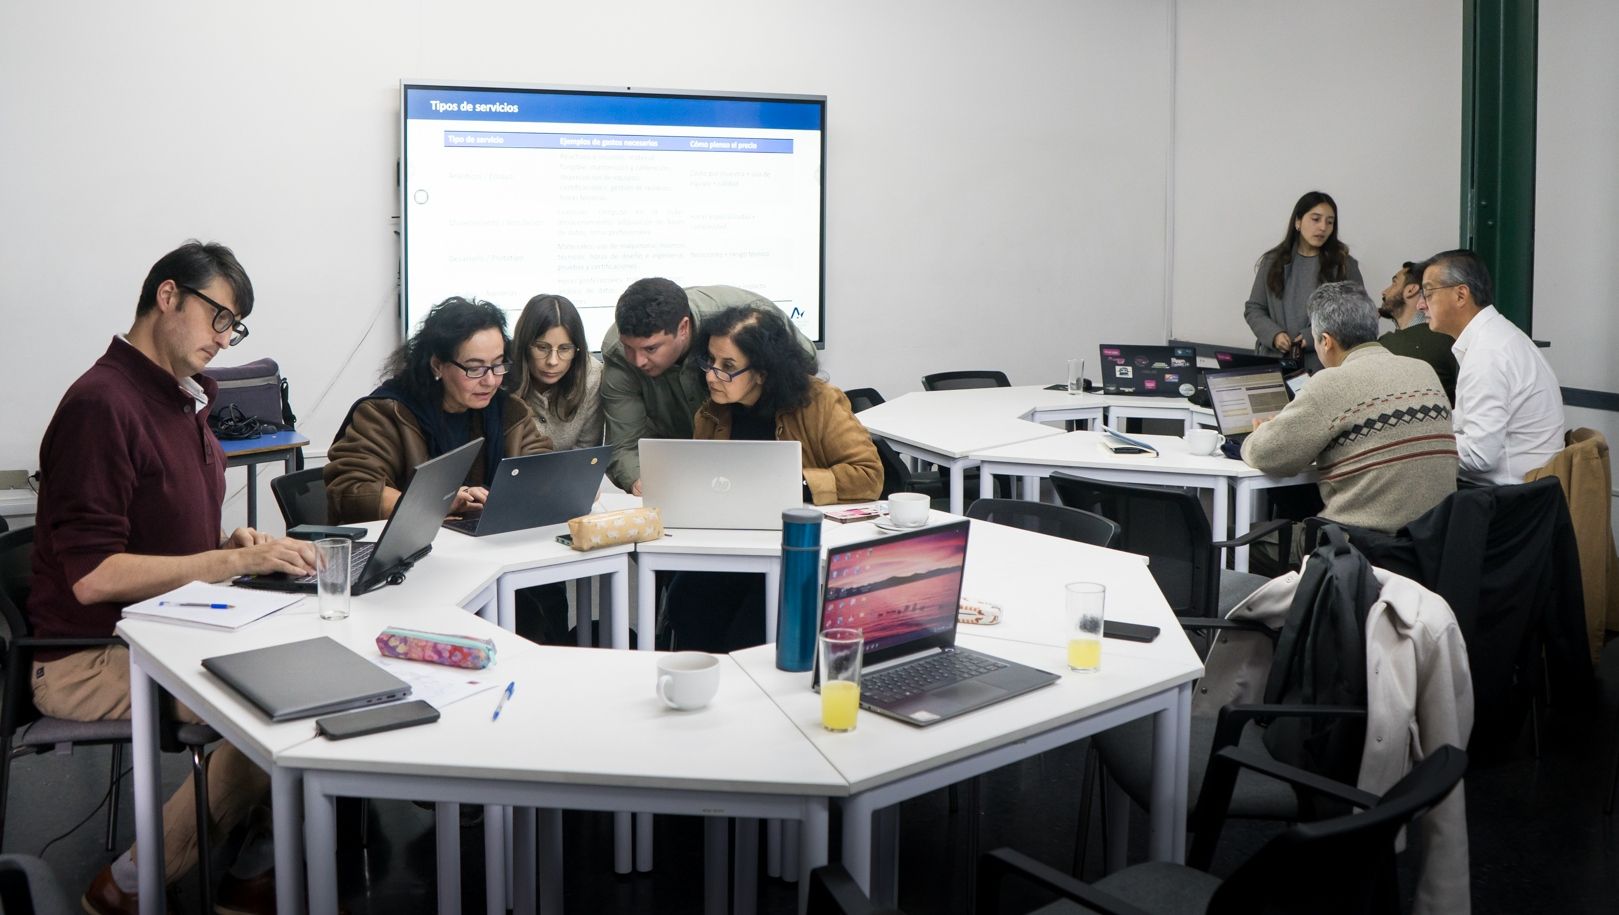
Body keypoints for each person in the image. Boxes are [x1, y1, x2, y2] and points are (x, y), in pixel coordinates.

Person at [28, 241, 318, 915]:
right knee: (274, 704)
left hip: (164, 632)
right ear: (167, 296)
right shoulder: (102, 404)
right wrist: (230, 563)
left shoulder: (182, 402)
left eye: (234, 327)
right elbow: (94, 578)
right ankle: (128, 884)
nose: (225, 338)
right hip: (84, 659)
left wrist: (228, 544)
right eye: (219, 317)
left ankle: (248, 871)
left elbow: (163, 543)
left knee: (305, 670)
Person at [1241, 282, 1457, 534]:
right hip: (1430, 543)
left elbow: (1265, 454)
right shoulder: (1423, 370)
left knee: (1242, 539)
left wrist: (1259, 433)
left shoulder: (1331, 383)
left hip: (1359, 547)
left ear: (1325, 341)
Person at [325, 297, 552, 523]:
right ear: (437, 365)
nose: (490, 381)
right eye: (475, 368)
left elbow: (544, 473)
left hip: (488, 539)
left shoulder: (509, 412)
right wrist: (432, 504)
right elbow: (352, 489)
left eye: (497, 365)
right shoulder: (387, 413)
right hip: (411, 541)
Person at [600, 278, 814, 493]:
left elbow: (801, 365)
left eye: (651, 349)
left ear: (683, 328)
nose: (638, 361)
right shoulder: (619, 354)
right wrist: (641, 481)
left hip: (766, 459)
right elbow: (624, 446)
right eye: (629, 348)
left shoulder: (743, 321)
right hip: (686, 471)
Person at [691, 304, 882, 505]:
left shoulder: (820, 402)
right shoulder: (710, 414)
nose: (711, 376)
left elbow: (869, 475)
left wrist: (796, 484)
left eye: (728, 366)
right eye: (710, 360)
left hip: (801, 518)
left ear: (761, 373)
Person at [1418, 250, 1565, 485]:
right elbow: (1466, 423)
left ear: (1460, 295)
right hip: (1530, 489)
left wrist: (1417, 444)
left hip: (1511, 496)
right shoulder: (1497, 336)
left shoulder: (1488, 353)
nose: (1420, 305)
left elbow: (1478, 456)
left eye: (1428, 293)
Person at [1243, 190, 1365, 372]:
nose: (1323, 227)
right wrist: (1274, 335)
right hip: (1274, 362)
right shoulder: (1272, 261)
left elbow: (1357, 316)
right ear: (1298, 222)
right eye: (1316, 219)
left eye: (1330, 222)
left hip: (1324, 367)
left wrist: (1313, 335)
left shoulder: (1344, 265)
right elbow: (1254, 308)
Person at [509, 293, 604, 451]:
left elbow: (586, 454)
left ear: (577, 350)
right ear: (524, 345)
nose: (553, 361)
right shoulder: (497, 376)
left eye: (565, 349)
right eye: (542, 347)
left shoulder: (592, 375)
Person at [1378, 259, 1458, 404]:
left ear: (1411, 290)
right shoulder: (1449, 338)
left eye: (1394, 283)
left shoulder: (1386, 346)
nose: (1384, 292)